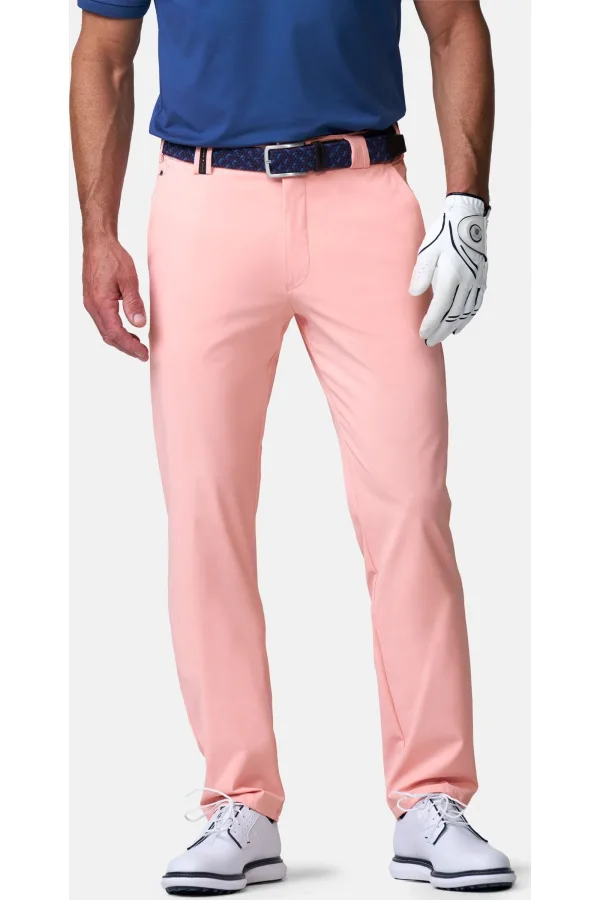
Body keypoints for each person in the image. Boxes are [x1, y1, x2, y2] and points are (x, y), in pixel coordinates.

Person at [71, 0, 515, 893]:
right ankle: (238, 801)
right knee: (205, 507)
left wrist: (468, 203)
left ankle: (431, 798)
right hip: (203, 203)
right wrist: (98, 231)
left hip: (366, 194)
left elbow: (456, 23)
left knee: (409, 503)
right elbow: (103, 55)